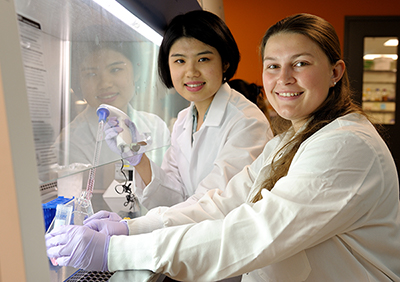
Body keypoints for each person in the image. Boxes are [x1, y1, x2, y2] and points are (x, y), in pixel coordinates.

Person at [46, 13, 400, 281]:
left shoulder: (343, 146)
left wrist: (116, 251)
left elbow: (251, 231)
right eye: (273, 66)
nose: (284, 78)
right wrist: (132, 228)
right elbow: (221, 202)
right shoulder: (288, 140)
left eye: (301, 64)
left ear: (336, 71)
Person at [107, 10, 273, 209]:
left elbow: (212, 204)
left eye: (203, 59)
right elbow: (173, 196)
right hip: (194, 230)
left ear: (225, 63)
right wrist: (139, 159)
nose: (191, 72)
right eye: (180, 61)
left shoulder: (247, 122)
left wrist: (131, 230)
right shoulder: (184, 120)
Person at [53, 39, 171, 189]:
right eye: (91, 74)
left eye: (115, 70)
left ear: (137, 72)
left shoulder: (156, 126)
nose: (105, 83)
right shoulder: (69, 144)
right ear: (78, 82)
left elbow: (171, 188)